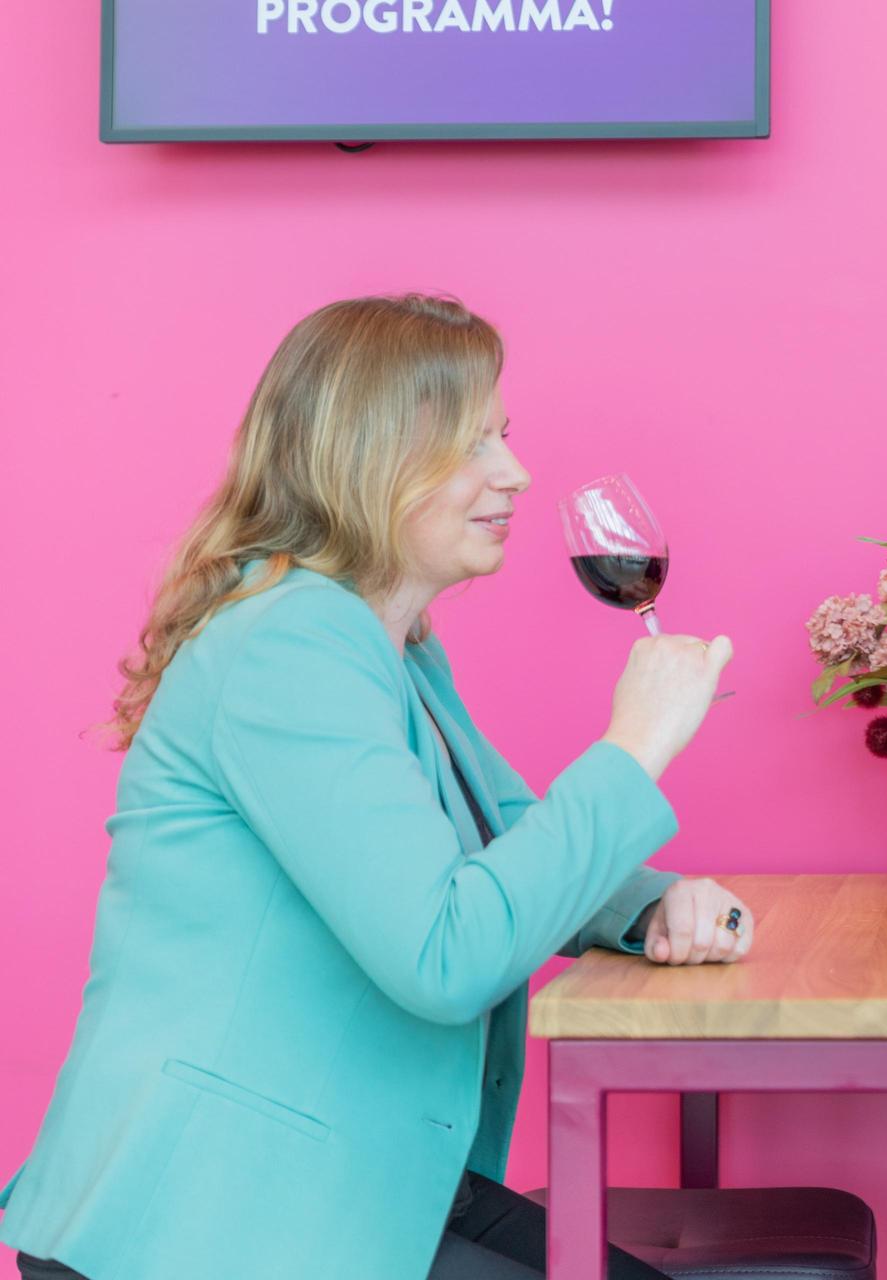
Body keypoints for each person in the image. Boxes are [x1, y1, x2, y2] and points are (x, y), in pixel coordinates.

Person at [0, 294, 747, 1280]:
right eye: (472, 443)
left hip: (348, 1176)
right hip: (214, 1216)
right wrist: (633, 745)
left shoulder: (388, 646)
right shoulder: (289, 645)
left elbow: (500, 840)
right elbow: (445, 953)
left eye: (504, 437)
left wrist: (648, 903)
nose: (515, 473)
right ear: (367, 459)